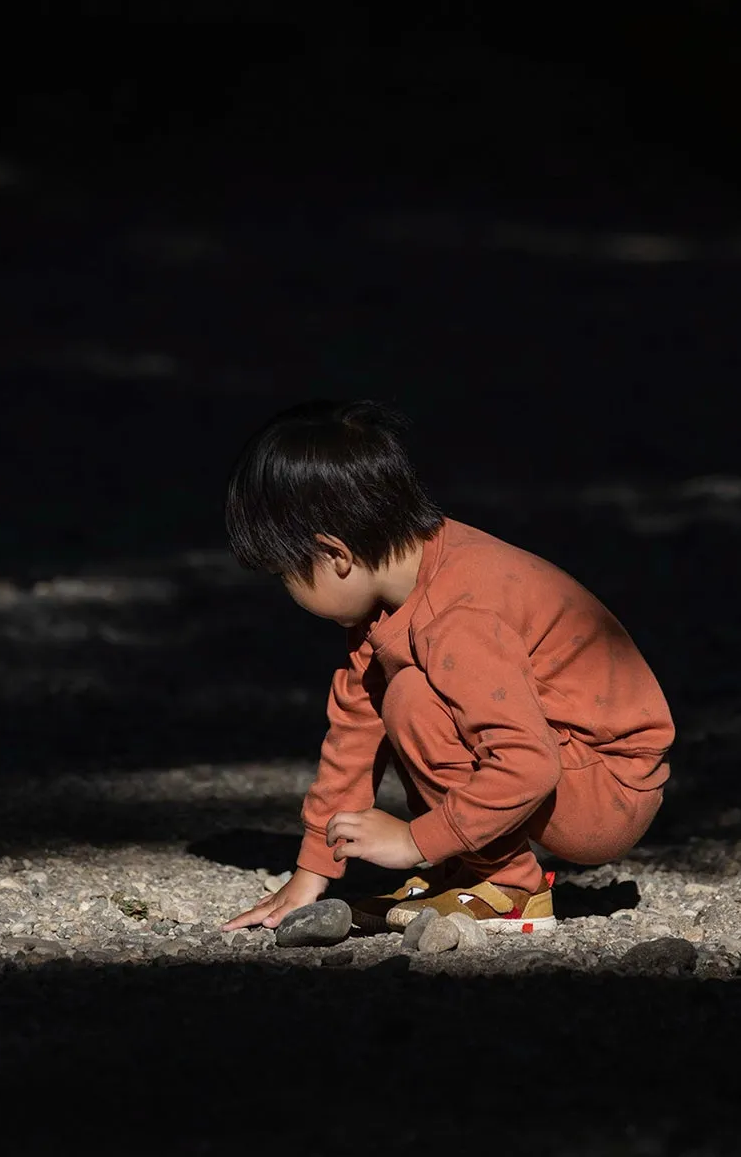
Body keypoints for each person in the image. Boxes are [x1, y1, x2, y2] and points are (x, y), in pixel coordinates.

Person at [219, 399, 674, 935]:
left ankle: (508, 887)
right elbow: (353, 730)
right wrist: (312, 868)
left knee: (413, 697)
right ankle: (466, 870)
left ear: (335, 555)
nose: (287, 594)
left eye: (284, 576)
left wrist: (415, 841)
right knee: (402, 692)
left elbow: (528, 763)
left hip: (605, 787)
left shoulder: (458, 616)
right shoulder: (396, 589)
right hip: (565, 761)